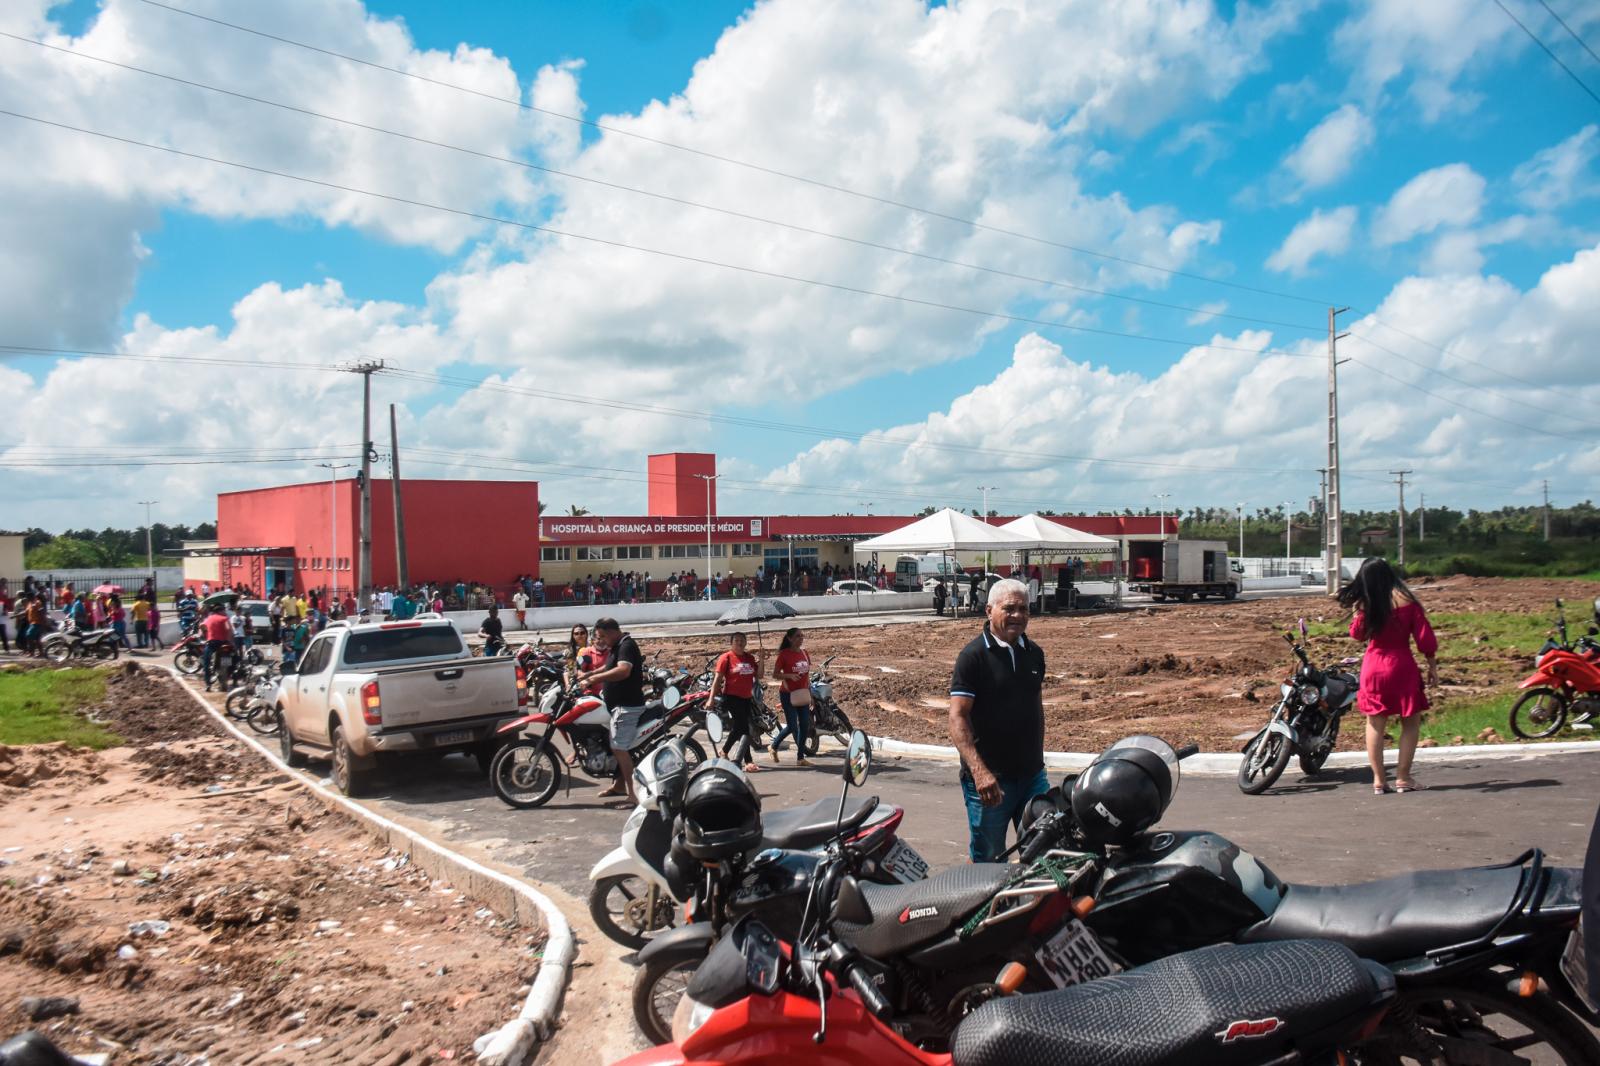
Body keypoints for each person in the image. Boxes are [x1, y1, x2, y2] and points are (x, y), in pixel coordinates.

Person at [948, 577, 1047, 863]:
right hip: (991, 783)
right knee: (988, 858)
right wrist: (980, 773)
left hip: (1032, 777)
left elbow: (1034, 707)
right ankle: (982, 907)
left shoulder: (1034, 654)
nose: (1018, 615)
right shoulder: (973, 657)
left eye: (1025, 609)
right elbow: (958, 716)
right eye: (1010, 608)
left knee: (1042, 850)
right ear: (989, 610)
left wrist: (1037, 760)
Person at [1338, 557, 1438, 795]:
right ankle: (1403, 777)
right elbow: (1425, 639)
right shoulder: (1408, 601)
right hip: (1402, 664)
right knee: (1410, 722)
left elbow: (1358, 636)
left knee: (1375, 723)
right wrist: (1432, 664)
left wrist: (1356, 613)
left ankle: (1379, 780)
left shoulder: (1366, 604)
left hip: (1374, 666)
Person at [577, 618, 646, 802]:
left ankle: (633, 795)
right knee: (609, 742)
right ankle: (619, 785)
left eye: (602, 636)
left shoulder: (627, 646)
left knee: (619, 747)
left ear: (612, 632)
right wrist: (591, 673)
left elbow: (623, 670)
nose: (602, 641)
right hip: (616, 705)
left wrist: (593, 680)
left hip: (627, 706)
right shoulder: (618, 646)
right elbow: (609, 666)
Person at [711, 631, 763, 772]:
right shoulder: (726, 658)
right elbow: (717, 680)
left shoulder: (749, 658)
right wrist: (711, 699)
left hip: (746, 698)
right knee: (742, 727)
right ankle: (747, 761)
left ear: (746, 643)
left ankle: (727, 752)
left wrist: (762, 659)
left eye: (742, 640)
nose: (740, 643)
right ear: (732, 643)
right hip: (731, 697)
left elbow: (759, 675)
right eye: (737, 641)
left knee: (742, 728)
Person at [769, 627, 812, 767]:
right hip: (788, 694)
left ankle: (800, 758)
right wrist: (789, 676)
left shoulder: (805, 653)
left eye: (802, 636)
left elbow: (807, 675)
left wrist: (811, 693)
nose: (801, 638)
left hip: (803, 693)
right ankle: (774, 746)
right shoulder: (784, 655)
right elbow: (775, 674)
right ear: (790, 638)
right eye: (798, 636)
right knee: (793, 726)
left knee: (805, 724)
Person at [200, 605, 234, 691]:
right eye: (224, 610)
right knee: (229, 661)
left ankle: (208, 684)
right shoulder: (224, 619)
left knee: (206, 663)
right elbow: (229, 629)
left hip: (211, 643)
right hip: (223, 643)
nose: (225, 612)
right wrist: (229, 641)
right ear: (220, 611)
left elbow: (202, 626)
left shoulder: (208, 618)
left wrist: (205, 636)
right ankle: (227, 681)